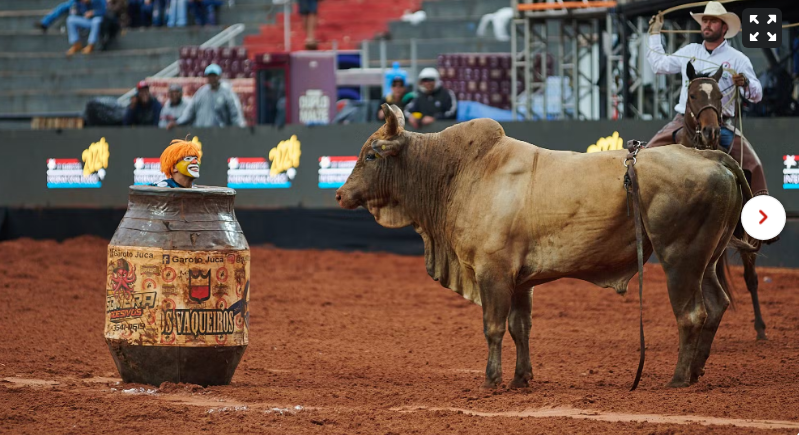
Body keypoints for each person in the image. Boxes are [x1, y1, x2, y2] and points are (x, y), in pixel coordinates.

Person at [646, 2, 768, 196]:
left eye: (713, 21)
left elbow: (757, 95)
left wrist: (745, 83)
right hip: (683, 121)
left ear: (724, 27)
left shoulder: (738, 59)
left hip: (721, 123)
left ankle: (759, 212)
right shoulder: (690, 51)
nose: (707, 25)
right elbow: (659, 65)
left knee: (753, 165)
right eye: (705, 21)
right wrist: (654, 35)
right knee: (646, 155)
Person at [168, 64, 247, 129]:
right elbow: (190, 111)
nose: (212, 78)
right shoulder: (201, 92)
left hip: (221, 135)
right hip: (201, 133)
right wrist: (178, 123)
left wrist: (240, 127)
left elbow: (235, 114)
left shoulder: (227, 93)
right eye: (210, 76)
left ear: (219, 77)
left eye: (214, 76)